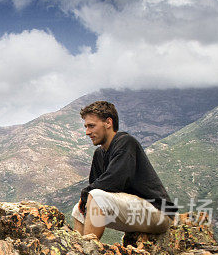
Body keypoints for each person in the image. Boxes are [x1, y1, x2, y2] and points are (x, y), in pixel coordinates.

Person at [72, 100, 177, 241]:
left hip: (158, 213)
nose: (87, 132)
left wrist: (87, 193)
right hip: (134, 212)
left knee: (95, 196)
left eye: (91, 126)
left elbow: (114, 181)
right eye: (86, 127)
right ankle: (77, 251)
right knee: (78, 209)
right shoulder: (99, 154)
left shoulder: (125, 142)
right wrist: (85, 197)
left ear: (108, 123)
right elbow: (95, 189)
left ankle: (88, 250)